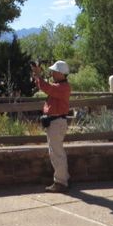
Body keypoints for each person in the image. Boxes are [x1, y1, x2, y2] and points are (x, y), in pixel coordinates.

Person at [31, 60, 71, 193]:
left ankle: (60, 182)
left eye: (54, 71)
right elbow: (46, 87)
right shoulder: (60, 85)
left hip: (56, 122)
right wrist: (38, 76)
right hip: (55, 122)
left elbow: (47, 88)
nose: (52, 73)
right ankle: (63, 178)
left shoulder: (63, 87)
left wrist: (38, 75)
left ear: (60, 73)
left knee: (56, 153)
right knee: (56, 152)